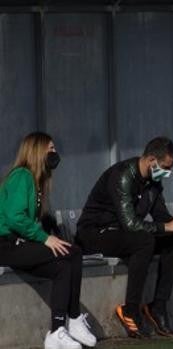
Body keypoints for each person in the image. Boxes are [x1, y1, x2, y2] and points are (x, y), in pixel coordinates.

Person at [75, 137, 173, 338]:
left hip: (123, 235)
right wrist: (168, 226)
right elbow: (131, 224)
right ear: (151, 159)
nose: (167, 173)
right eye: (165, 167)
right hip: (96, 233)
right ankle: (131, 309)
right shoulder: (123, 175)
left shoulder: (153, 181)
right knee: (144, 240)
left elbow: (162, 217)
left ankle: (158, 306)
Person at [0, 132, 96, 349]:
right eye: (50, 149)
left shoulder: (37, 181)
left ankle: (57, 331)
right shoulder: (21, 176)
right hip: (6, 244)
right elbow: (15, 218)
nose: (54, 153)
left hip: (19, 243)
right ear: (36, 151)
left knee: (63, 266)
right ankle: (72, 317)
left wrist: (47, 232)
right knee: (73, 252)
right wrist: (45, 238)